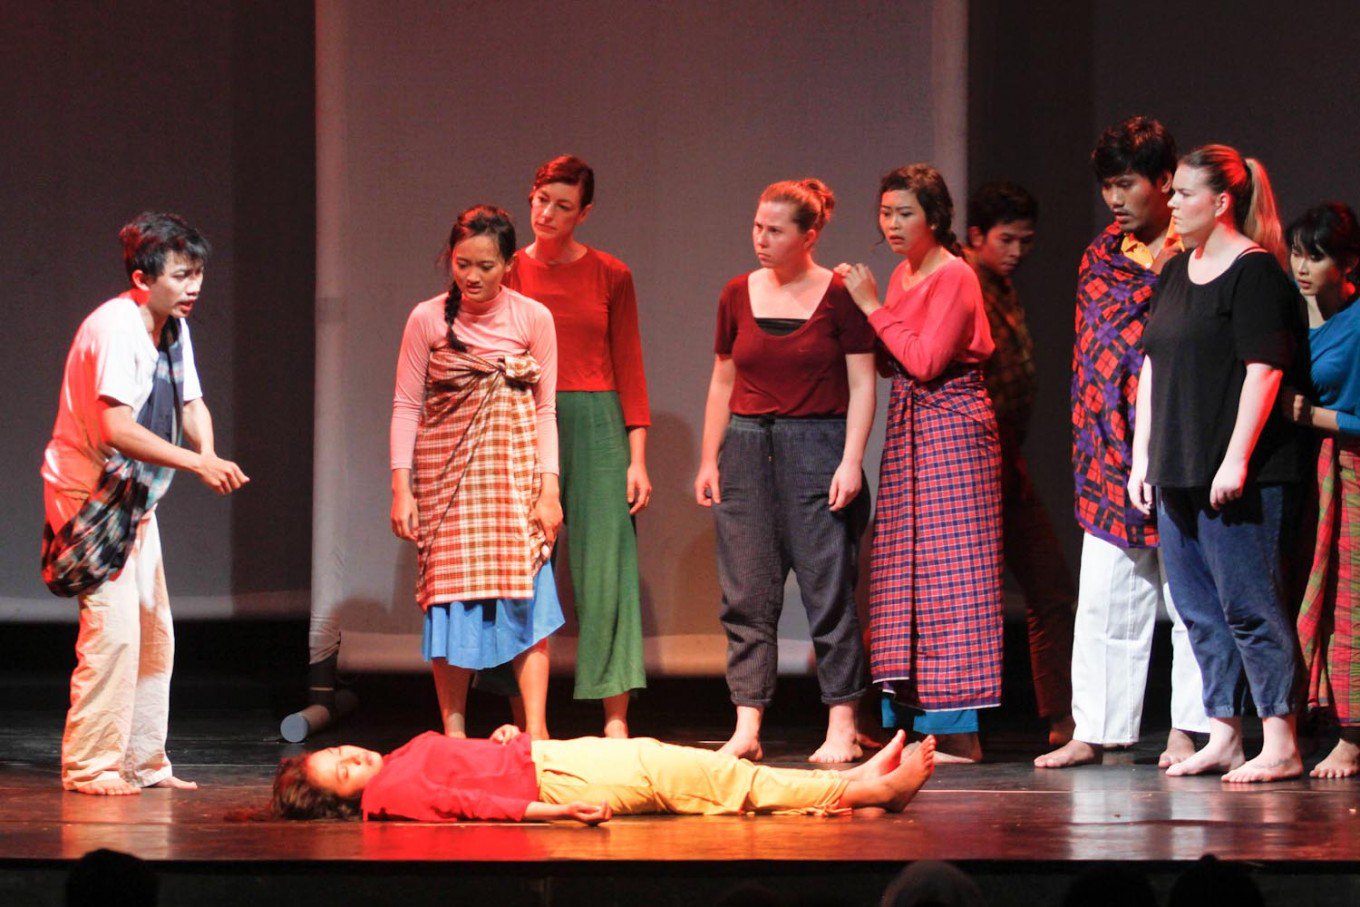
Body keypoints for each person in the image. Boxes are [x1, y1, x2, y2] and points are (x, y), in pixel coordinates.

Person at [42, 213, 248, 796]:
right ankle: (91, 765)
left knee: (155, 632)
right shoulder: (116, 329)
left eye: (198, 274)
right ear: (142, 277)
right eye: (181, 275)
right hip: (90, 494)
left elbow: (192, 403)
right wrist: (195, 464)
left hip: (136, 496)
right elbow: (116, 428)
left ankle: (141, 760)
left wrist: (208, 451)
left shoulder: (173, 328)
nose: (194, 287)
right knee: (113, 633)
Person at [1038, 117, 1210, 770]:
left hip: (1181, 440)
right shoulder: (1101, 256)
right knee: (1106, 595)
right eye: (1107, 185)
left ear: (1164, 180)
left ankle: (1192, 728)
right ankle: (1098, 728)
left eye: (1126, 183)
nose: (1114, 198)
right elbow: (1093, 356)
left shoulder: (1200, 255)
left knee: (1191, 596)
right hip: (1108, 452)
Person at [1132, 145, 1308, 783]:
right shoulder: (1176, 271)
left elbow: (1265, 372)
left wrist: (1235, 461)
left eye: (1183, 193)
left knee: (1249, 606)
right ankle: (1225, 734)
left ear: (1222, 201)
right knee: (1199, 611)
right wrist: (1142, 460)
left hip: (1239, 475)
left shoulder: (1256, 274)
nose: (1172, 203)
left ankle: (1281, 740)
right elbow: (1152, 368)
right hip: (1176, 467)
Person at [695, 178, 875, 763]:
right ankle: (747, 725)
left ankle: (842, 722)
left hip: (817, 446)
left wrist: (851, 461)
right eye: (757, 227)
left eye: (775, 230)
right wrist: (709, 458)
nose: (761, 239)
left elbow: (862, 383)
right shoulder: (736, 293)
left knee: (829, 590)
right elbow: (723, 379)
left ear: (809, 235)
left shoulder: (838, 296)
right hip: (747, 449)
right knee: (747, 592)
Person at [837, 164, 1003, 763]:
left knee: (951, 574)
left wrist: (870, 305)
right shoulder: (903, 274)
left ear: (934, 217)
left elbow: (929, 360)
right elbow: (897, 358)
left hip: (952, 426)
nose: (892, 224)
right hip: (912, 424)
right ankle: (916, 726)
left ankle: (959, 731)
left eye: (904, 213)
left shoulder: (954, 274)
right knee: (904, 569)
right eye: (885, 213)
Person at [390, 205, 564, 741]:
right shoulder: (427, 319)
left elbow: (545, 409)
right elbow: (406, 406)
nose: (472, 276)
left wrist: (549, 489)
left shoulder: (533, 318)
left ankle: (536, 733)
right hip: (447, 481)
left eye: (486, 266)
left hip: (512, 481)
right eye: (462, 263)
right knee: (450, 601)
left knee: (526, 598)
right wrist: (401, 488)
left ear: (509, 264)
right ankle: (455, 734)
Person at [503, 156, 649, 737]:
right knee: (522, 565)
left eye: (563, 206)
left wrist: (638, 458)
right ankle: (526, 720)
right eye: (542, 200)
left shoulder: (611, 274)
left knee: (607, 566)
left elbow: (629, 365)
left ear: (584, 213)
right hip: (524, 416)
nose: (547, 213)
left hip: (596, 420)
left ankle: (614, 722)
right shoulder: (507, 270)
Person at [267, 725, 936, 822]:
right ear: (345, 800)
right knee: (711, 779)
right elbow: (472, 804)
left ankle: (852, 788)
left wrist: (506, 738)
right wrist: (555, 812)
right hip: (556, 780)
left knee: (702, 773)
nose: (353, 759)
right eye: (342, 773)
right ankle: (866, 789)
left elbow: (466, 766)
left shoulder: (395, 761)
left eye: (342, 751)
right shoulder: (389, 792)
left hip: (549, 756)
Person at [964, 181, 1078, 746]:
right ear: (976, 236)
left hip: (1008, 456)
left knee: (1050, 584)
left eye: (1025, 241)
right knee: (950, 590)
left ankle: (1063, 717)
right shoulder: (963, 283)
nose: (1016, 251)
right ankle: (876, 713)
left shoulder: (1002, 286)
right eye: (1006, 240)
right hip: (968, 460)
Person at [1279, 202, 1360, 779]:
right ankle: (1319, 713)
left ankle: (1352, 737)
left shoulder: (1356, 323)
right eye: (1297, 254)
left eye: (1317, 256)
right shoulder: (1292, 308)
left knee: (1351, 599)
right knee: (1309, 589)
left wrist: (1314, 417)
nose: (1302, 268)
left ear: (1348, 262)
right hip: (1306, 470)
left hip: (1352, 466)